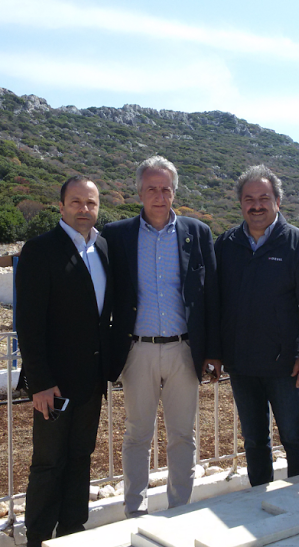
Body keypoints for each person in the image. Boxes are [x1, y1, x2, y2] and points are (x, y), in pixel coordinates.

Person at [101, 155, 221, 517]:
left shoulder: (197, 232)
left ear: (174, 192)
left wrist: (213, 350)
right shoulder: (116, 234)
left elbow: (211, 295)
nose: (159, 195)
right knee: (137, 434)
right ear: (139, 192)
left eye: (166, 189)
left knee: (183, 435)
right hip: (137, 350)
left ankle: (178, 511)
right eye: (152, 188)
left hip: (184, 349)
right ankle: (134, 512)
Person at [215, 164, 299, 486]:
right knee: (254, 441)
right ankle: (260, 499)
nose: (256, 205)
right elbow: (214, 304)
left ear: (277, 202)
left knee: (295, 439)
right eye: (249, 199)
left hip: (286, 366)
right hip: (241, 364)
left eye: (264, 198)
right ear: (240, 203)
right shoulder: (226, 245)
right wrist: (215, 351)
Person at [15, 176, 112, 547]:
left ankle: (73, 532)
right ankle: (38, 537)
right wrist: (39, 382)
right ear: (61, 206)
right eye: (76, 202)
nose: (84, 209)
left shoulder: (102, 246)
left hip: (91, 381)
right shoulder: (40, 249)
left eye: (91, 203)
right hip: (53, 385)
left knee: (80, 458)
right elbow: (29, 323)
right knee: (48, 462)